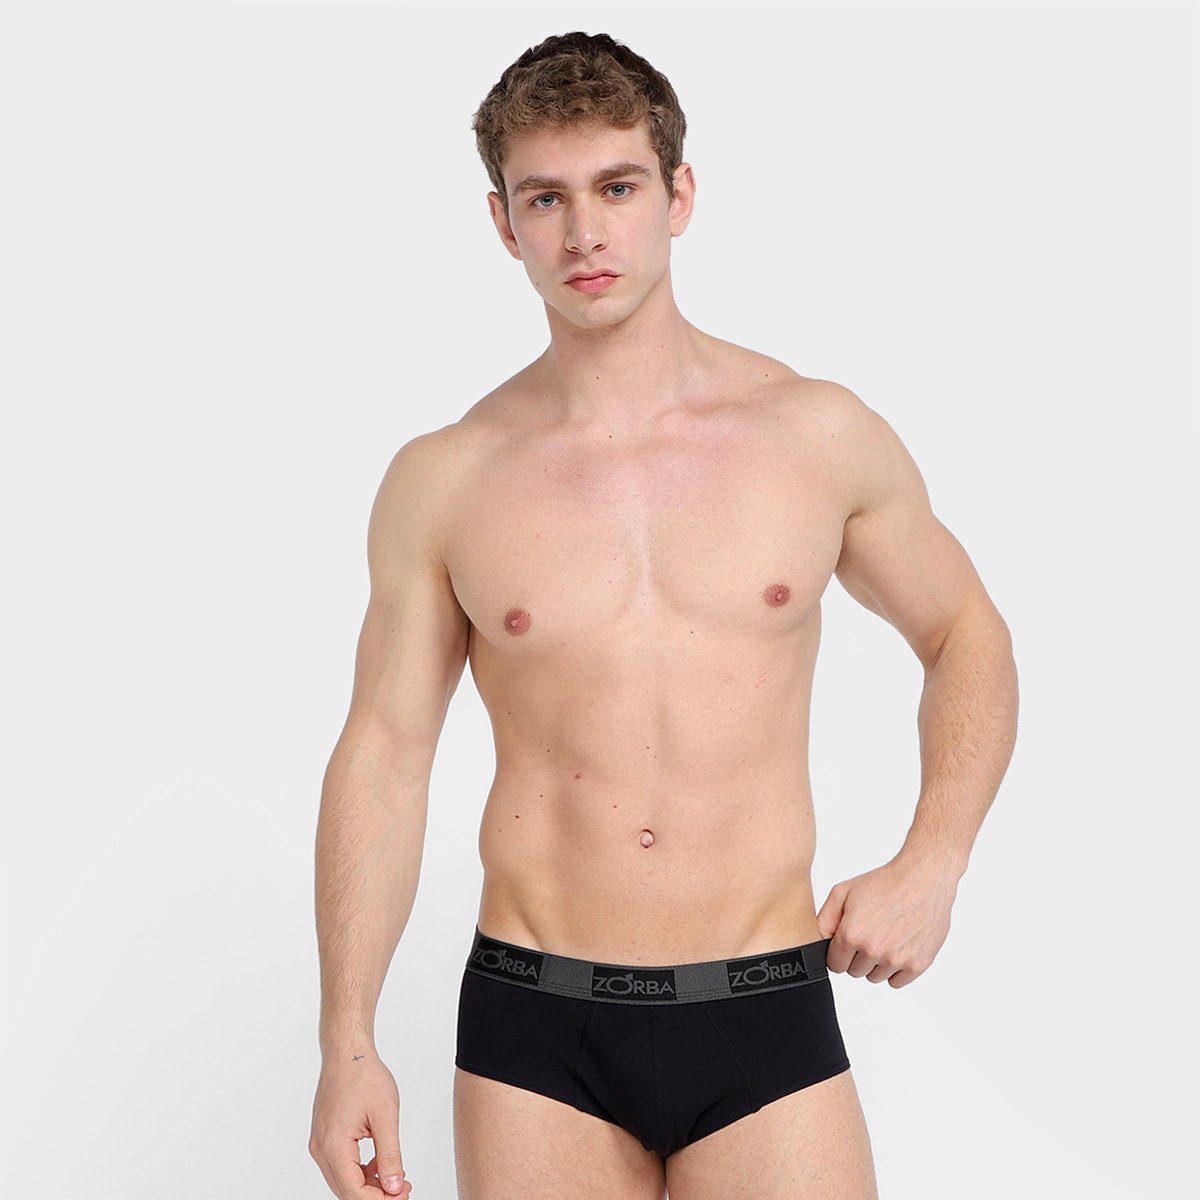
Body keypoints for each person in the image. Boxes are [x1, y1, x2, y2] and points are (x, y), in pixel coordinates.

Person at [308, 30, 1019, 1200]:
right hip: (535, 1026)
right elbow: (384, 754)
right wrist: (347, 1044)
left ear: (679, 195)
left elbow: (965, 632)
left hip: (762, 1006)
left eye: (617, 188)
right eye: (546, 198)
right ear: (504, 224)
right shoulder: (447, 479)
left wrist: (934, 859)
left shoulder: (816, 435)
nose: (584, 233)